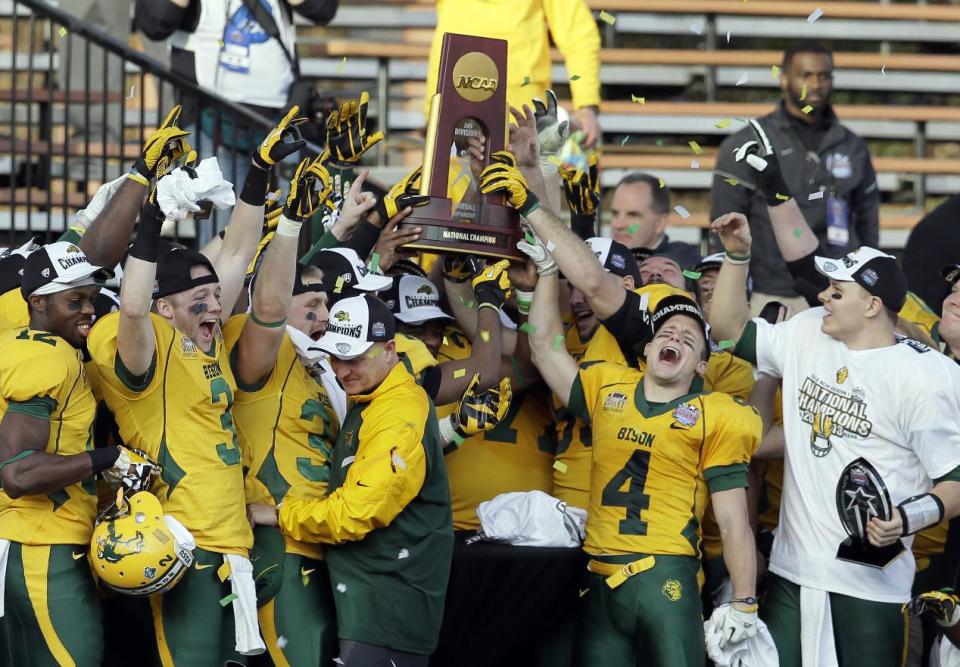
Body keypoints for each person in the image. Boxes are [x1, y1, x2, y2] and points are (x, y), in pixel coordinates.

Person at [479, 150, 762, 665]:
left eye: (688, 337)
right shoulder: (608, 390)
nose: (674, 337)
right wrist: (546, 273)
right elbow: (545, 348)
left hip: (667, 575)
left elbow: (735, 522)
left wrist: (744, 599)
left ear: (702, 364)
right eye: (665, 333)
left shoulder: (718, 414)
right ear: (646, 349)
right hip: (599, 575)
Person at [87, 110, 313, 664]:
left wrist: (260, 172)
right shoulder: (146, 347)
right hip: (182, 544)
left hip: (236, 542)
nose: (216, 305)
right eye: (200, 298)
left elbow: (236, 253)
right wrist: (151, 219)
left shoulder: (205, 340)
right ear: (168, 308)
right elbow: (135, 305)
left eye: (216, 296)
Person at [709, 197, 960, 664]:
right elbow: (727, 328)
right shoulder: (807, 332)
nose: (823, 296)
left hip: (871, 585)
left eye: (837, 291)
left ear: (872, 305)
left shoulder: (926, 376)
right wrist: (736, 255)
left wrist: (909, 519)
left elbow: (956, 481)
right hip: (792, 571)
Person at [247, 293, 454, 666]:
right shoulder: (370, 398)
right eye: (337, 357)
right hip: (371, 602)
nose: (343, 370)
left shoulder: (396, 411)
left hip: (388, 607)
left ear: (390, 349)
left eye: (356, 357)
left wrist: (281, 514)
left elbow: (355, 513)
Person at [0, 243, 154, 666]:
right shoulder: (47, 356)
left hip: (25, 541)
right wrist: (110, 460)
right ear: (37, 302)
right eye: (75, 300)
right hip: (41, 544)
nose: (89, 310)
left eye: (90, 298)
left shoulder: (27, 347)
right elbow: (18, 472)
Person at [711, 40, 880, 314]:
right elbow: (726, 220)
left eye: (823, 76)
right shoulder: (749, 143)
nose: (815, 84)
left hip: (839, 293)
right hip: (770, 294)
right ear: (784, 78)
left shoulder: (853, 146)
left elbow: (868, 224)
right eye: (806, 75)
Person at [425, 0, 602, 147]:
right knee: (451, 187)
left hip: (520, 118)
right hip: (451, 110)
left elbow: (578, 34)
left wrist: (586, 106)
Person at [608, 173, 701, 269]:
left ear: (660, 223)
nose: (618, 224)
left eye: (633, 215)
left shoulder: (684, 262)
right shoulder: (599, 258)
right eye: (615, 213)